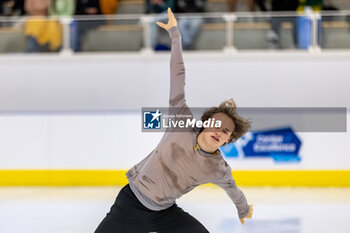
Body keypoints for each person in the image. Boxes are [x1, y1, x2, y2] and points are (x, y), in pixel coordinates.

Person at [94, 8, 253, 233]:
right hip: (130, 203)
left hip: (165, 213)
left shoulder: (218, 168)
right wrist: (175, 36)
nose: (219, 130)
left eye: (226, 131)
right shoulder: (182, 122)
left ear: (228, 139)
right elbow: (177, 74)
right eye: (217, 123)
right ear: (207, 122)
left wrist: (243, 209)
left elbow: (233, 190)